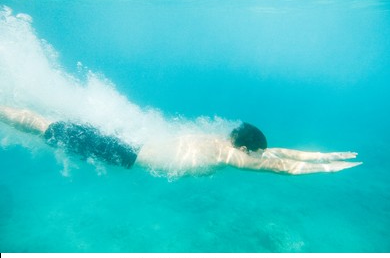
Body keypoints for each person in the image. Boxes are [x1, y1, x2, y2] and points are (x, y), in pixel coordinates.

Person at [0, 106, 361, 175]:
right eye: (255, 152)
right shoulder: (232, 157)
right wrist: (330, 167)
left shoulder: (222, 141)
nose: (258, 156)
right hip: (125, 152)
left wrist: (326, 153)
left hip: (128, 139)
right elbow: (282, 168)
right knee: (42, 128)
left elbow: (276, 153)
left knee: (46, 123)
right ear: (245, 149)